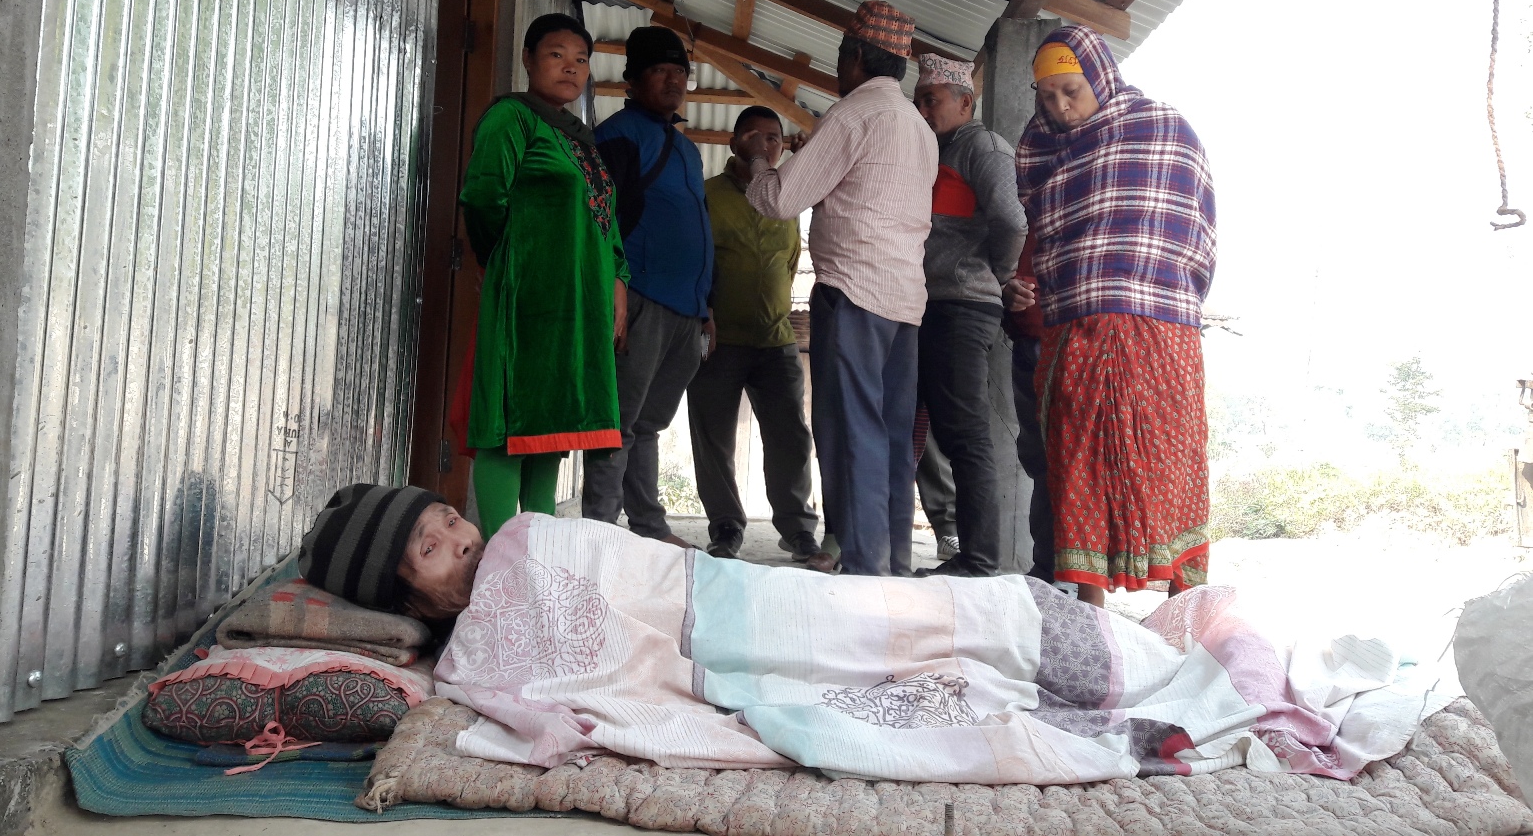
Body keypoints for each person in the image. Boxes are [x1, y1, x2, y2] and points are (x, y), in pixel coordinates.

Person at [297, 490, 1432, 788]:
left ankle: (1112, 653)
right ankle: (1118, 684)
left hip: (727, 593)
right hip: (714, 658)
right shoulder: (470, 648)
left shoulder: (529, 536)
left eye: (448, 519)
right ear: (412, 595)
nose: (460, 539)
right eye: (430, 551)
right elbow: (530, 700)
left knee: (972, 612)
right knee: (910, 683)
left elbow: (629, 568)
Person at [1016, 25, 1217, 607]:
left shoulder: (1164, 130)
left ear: (1100, 79)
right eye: (1048, 96)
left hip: (1158, 324)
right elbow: (1047, 234)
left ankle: (1184, 608)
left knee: (1168, 457)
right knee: (1078, 458)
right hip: (1076, 324)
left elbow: (1195, 225)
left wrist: (1156, 281)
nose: (1061, 106)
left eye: (1071, 90)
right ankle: (1091, 609)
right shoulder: (1041, 150)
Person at [745, 1, 938, 577]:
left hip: (854, 294)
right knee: (892, 435)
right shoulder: (919, 128)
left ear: (854, 57)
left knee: (852, 433)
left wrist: (759, 161)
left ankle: (864, 569)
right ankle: (892, 563)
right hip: (905, 302)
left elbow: (780, 199)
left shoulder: (853, 115)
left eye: (839, 57)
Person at [458, 13, 628, 538]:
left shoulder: (581, 142)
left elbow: (607, 224)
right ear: (528, 60)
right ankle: (497, 559)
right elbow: (483, 196)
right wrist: (503, 263)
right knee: (510, 420)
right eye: (557, 55)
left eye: (581, 60)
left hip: (580, 305)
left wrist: (617, 285)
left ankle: (537, 554)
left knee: (553, 424)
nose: (570, 67)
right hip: (528, 298)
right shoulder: (512, 118)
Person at [583, 26, 714, 549]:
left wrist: (708, 305)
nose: (673, 80)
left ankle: (649, 529)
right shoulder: (618, 135)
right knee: (617, 421)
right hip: (639, 298)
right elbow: (600, 222)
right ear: (632, 80)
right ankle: (598, 531)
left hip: (686, 309)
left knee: (648, 424)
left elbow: (697, 224)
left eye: (680, 71)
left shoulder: (687, 149)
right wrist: (614, 288)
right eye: (660, 70)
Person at [687, 107, 825, 566]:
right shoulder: (707, 195)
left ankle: (798, 530)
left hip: (775, 338)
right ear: (733, 144)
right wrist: (704, 315)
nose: (764, 145)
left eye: (773, 137)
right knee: (713, 436)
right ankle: (725, 526)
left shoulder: (788, 198)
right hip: (718, 336)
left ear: (782, 146)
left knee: (791, 436)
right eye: (753, 136)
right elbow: (695, 262)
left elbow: (790, 262)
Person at [909, 54, 1027, 579]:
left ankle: (979, 560)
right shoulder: (938, 150)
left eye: (931, 100)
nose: (923, 109)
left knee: (965, 434)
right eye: (918, 100)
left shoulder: (984, 147)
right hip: (932, 305)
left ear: (965, 103)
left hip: (963, 305)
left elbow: (1011, 221)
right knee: (931, 431)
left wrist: (998, 277)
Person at [1001, 234, 1056, 584]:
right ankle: (1049, 568)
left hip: (1073, 332)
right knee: (1038, 458)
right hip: (1029, 332)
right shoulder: (1026, 206)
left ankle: (1069, 574)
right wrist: (1004, 286)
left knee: (1066, 459)